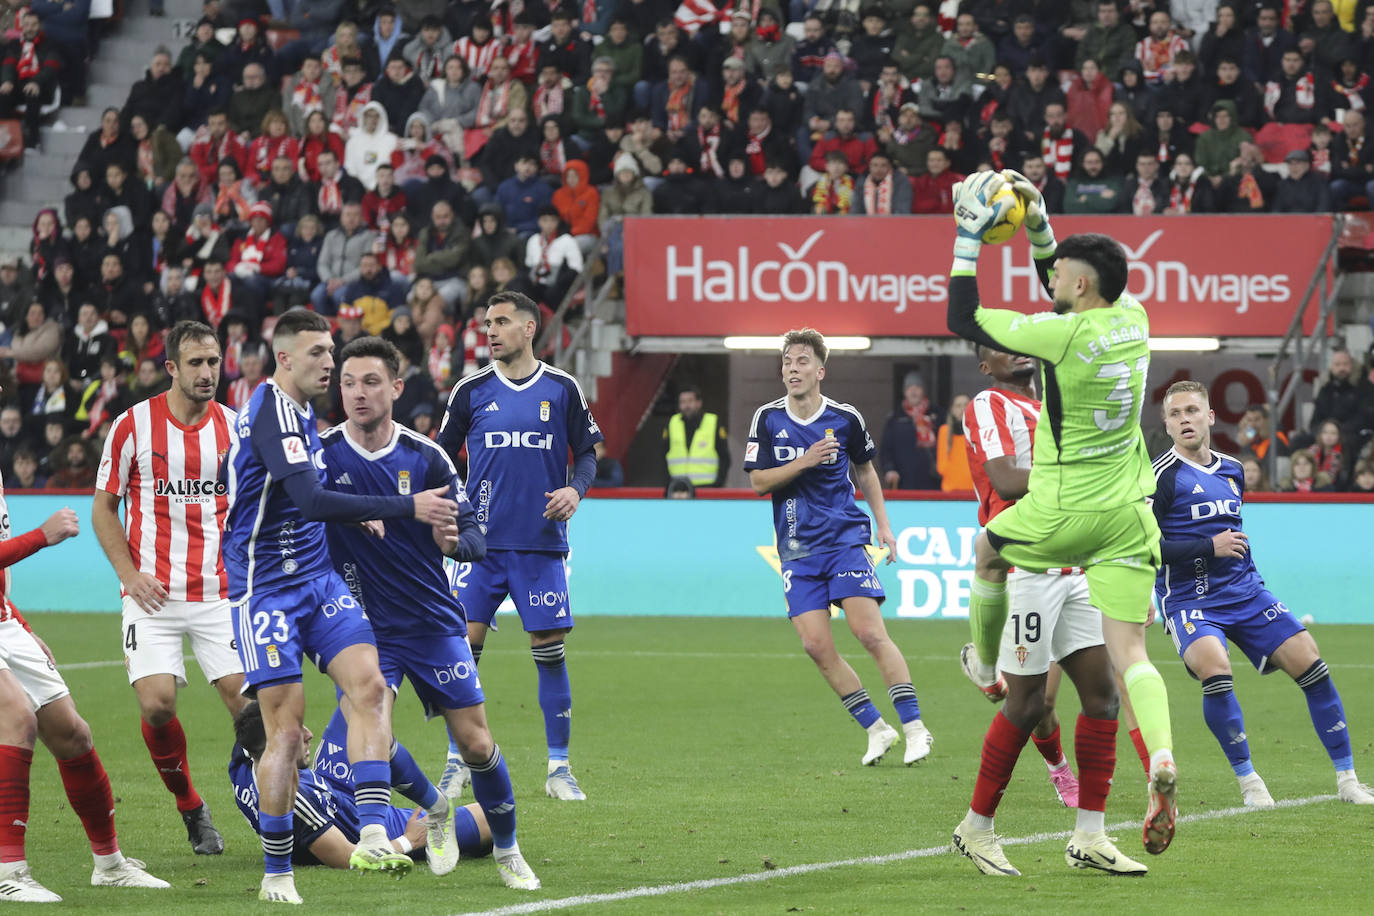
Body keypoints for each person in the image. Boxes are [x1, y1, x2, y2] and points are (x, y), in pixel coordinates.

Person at [946, 169, 1177, 857]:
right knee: (1125, 660)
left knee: (989, 550)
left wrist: (968, 238)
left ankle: (980, 663)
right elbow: (1066, 275)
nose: (1051, 283)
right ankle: (1159, 757)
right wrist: (1041, 221)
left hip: (1061, 516)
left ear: (1078, 288)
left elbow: (964, 317)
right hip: (1128, 515)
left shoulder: (1059, 337)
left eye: (1060, 277)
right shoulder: (1132, 319)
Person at [221, 308, 459, 904]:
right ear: (283, 359)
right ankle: (278, 871)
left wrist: (364, 513)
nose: (330, 363)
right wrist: (404, 506)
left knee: (370, 688)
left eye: (331, 351)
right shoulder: (272, 412)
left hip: (319, 580)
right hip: (267, 589)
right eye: (318, 354)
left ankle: (376, 830)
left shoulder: (304, 412)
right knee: (283, 732)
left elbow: (309, 500)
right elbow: (310, 496)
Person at [318, 335, 540, 889]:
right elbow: (301, 517)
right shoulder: (321, 456)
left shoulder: (425, 456)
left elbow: (474, 538)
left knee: (477, 743)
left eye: (370, 382)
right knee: (367, 711)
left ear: (396, 387)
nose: (358, 393)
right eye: (348, 383)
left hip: (432, 621)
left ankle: (507, 850)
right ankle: (375, 839)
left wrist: (453, 544)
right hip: (362, 625)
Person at [952, 344, 1145, 877]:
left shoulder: (1056, 410)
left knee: (1103, 697)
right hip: (1024, 565)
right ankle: (976, 828)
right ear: (986, 366)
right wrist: (1077, 477)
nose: (1013, 353)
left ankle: (1090, 836)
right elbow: (1008, 480)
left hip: (1076, 564)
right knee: (1029, 702)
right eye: (997, 351)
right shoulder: (989, 403)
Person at [1153, 381, 1374, 806]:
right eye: (1176, 413)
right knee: (1216, 669)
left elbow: (1237, 536)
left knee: (1313, 664)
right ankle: (1250, 783)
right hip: (1190, 599)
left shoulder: (1233, 469)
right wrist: (1207, 547)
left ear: (1211, 417)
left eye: (1193, 411)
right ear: (1166, 423)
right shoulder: (1160, 477)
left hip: (1245, 591)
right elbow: (1143, 545)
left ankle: (1348, 781)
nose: (1185, 419)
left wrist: (1251, 580)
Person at [436, 292, 602, 802]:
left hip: (539, 545)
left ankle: (559, 769)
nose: (490, 331)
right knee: (461, 653)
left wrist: (576, 489)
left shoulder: (562, 388)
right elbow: (439, 458)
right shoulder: (470, 391)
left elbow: (589, 453)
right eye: (487, 322)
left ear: (529, 329)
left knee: (549, 653)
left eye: (502, 322)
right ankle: (455, 763)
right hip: (477, 548)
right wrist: (449, 515)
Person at [744, 328, 934, 767]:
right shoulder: (767, 419)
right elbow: (757, 482)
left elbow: (866, 473)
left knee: (868, 632)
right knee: (815, 646)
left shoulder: (845, 418)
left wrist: (884, 527)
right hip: (795, 549)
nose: (793, 368)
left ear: (820, 371)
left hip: (845, 540)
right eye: (788, 361)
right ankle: (876, 728)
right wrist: (804, 461)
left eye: (802, 361)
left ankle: (915, 728)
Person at [91, 321, 244, 857]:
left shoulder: (235, 428)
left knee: (248, 708)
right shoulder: (132, 425)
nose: (208, 373)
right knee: (157, 706)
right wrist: (129, 577)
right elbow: (104, 508)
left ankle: (289, 816)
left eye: (214, 362)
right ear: (172, 368)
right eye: (196, 364)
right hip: (151, 594)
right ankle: (190, 807)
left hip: (220, 593)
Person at [0, 425, 169, 900]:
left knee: (72, 733)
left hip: (4, 623)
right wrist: (41, 536)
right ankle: (8, 873)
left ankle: (110, 864)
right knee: (15, 719)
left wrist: (22, 627)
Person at [230, 701, 495, 870]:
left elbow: (254, 715)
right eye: (299, 732)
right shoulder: (297, 803)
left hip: (330, 783)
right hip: (357, 823)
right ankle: (437, 802)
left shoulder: (244, 757)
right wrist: (407, 841)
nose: (310, 734)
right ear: (278, 744)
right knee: (492, 818)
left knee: (360, 695)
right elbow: (346, 857)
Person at [663, 385, 730, 488]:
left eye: (690, 401)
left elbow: (725, 457)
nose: (687, 406)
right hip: (679, 487)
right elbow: (663, 455)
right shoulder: (672, 423)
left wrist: (718, 484)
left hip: (707, 486)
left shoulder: (713, 422)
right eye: (683, 402)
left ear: (699, 403)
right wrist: (668, 483)